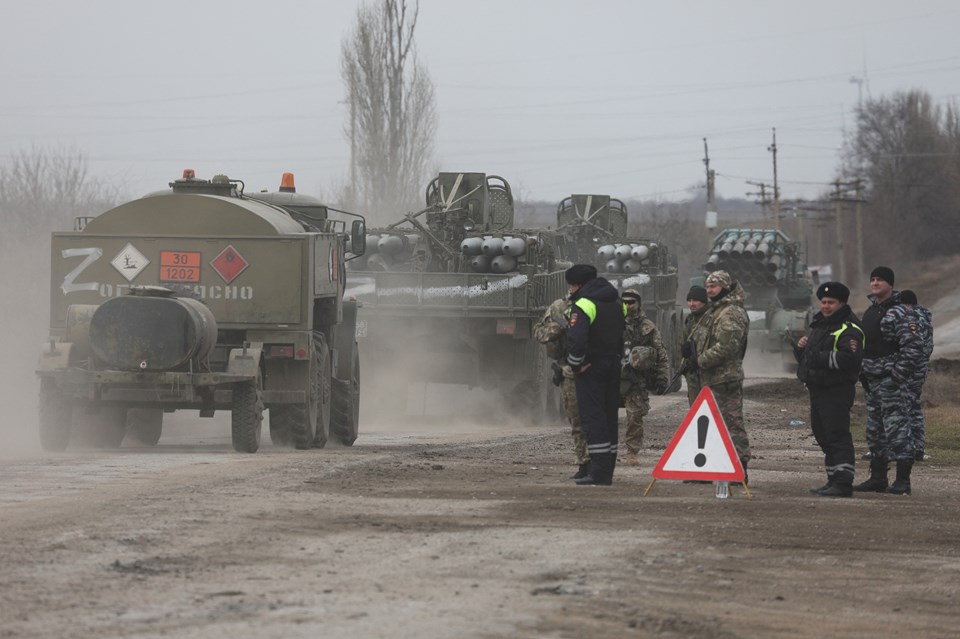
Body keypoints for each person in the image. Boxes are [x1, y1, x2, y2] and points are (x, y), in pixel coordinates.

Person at [853, 267, 924, 495]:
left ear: (890, 285)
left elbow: (913, 347)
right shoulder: (872, 312)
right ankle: (878, 478)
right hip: (872, 381)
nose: (875, 283)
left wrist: (897, 376)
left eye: (880, 280)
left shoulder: (901, 312)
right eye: (872, 279)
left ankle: (903, 481)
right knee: (875, 432)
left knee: (898, 430)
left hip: (890, 381)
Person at [793, 282, 864, 497]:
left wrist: (819, 357)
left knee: (837, 435)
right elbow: (809, 360)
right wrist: (801, 350)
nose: (825, 306)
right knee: (822, 434)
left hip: (836, 390)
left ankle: (843, 483)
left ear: (841, 303)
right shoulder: (820, 326)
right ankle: (833, 478)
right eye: (823, 302)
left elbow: (848, 358)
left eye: (830, 302)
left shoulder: (849, 329)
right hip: (818, 390)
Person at [565, 264, 626, 486]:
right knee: (610, 416)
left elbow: (577, 339)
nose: (571, 290)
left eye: (572, 285)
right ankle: (607, 469)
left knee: (593, 417)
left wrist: (575, 365)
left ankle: (598, 473)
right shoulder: (617, 302)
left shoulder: (583, 304)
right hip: (613, 363)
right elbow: (621, 332)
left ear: (578, 284)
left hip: (591, 367)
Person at [687, 270, 751, 480]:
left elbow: (727, 347)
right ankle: (706, 468)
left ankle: (740, 469)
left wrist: (700, 360)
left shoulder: (730, 312)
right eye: (707, 287)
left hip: (725, 378)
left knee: (732, 424)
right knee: (707, 425)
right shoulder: (715, 311)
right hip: (710, 378)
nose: (709, 290)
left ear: (723, 286)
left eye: (713, 286)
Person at [533, 296, 590, 479]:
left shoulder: (596, 306)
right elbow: (539, 333)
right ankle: (584, 463)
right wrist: (559, 327)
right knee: (575, 419)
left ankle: (598, 462)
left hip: (594, 369)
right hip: (568, 371)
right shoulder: (560, 307)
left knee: (595, 419)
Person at [619, 288, 669, 467]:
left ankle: (632, 452)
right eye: (624, 302)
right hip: (614, 378)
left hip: (635, 379)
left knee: (634, 417)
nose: (627, 306)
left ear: (638, 303)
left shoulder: (647, 328)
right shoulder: (613, 323)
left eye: (631, 302)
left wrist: (662, 378)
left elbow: (661, 355)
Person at [899, 289, 934, 462]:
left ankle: (907, 448)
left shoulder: (913, 319)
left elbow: (912, 347)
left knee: (905, 407)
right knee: (914, 407)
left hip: (911, 369)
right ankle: (917, 448)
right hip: (920, 368)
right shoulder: (924, 317)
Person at [680, 285, 710, 406]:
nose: (692, 304)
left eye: (695, 301)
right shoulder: (690, 319)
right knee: (695, 408)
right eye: (689, 300)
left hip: (708, 371)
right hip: (692, 372)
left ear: (703, 302)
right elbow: (683, 339)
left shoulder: (712, 318)